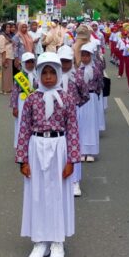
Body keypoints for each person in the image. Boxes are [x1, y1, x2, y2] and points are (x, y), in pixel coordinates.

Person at [15, 53, 80, 257]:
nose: (49, 77)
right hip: (36, 147)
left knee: (57, 193)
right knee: (38, 193)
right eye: (45, 73)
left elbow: (72, 129)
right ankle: (40, 241)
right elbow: (24, 128)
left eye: (53, 72)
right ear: (39, 75)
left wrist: (71, 160)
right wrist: (23, 160)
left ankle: (57, 242)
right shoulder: (32, 98)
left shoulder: (67, 98)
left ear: (59, 73)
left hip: (59, 147)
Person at [59, 46, 88, 196]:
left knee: (74, 145)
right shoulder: (52, 77)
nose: (64, 65)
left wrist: (74, 108)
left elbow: (85, 95)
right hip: (56, 117)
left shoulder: (77, 77)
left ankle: (75, 181)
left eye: (67, 61)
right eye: (62, 61)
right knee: (58, 146)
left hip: (73, 114)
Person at [78, 44, 102, 163]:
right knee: (81, 123)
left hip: (92, 98)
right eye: (83, 56)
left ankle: (91, 151)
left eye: (87, 56)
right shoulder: (78, 71)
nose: (85, 58)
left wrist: (96, 95)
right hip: (81, 99)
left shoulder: (95, 70)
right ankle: (82, 150)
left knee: (91, 123)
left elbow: (99, 84)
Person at [11, 52, 37, 148]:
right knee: (21, 123)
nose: (30, 64)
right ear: (23, 63)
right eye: (27, 62)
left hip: (35, 103)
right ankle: (21, 145)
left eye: (32, 62)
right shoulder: (19, 76)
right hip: (22, 102)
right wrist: (14, 107)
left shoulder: (37, 75)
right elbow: (14, 93)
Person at [0, 23, 15, 95]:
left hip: (10, 56)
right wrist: (4, 59)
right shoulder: (2, 36)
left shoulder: (7, 35)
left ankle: (8, 88)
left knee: (8, 73)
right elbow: (2, 49)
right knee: (6, 74)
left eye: (9, 27)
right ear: (4, 28)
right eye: (7, 27)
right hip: (6, 56)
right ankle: (5, 89)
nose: (8, 29)